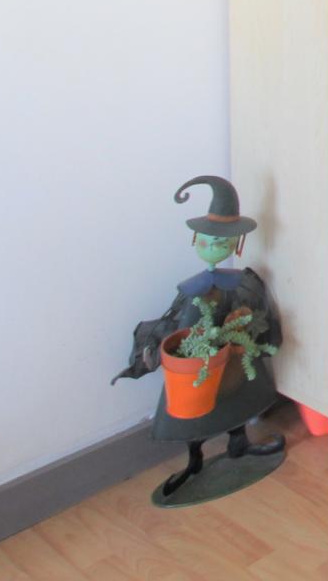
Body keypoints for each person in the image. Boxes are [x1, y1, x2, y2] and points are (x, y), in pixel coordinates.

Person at [113, 175, 285, 501]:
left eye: (220, 242)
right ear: (196, 239)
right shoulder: (194, 290)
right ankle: (195, 459)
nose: (212, 248)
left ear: (236, 243)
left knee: (240, 394)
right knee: (195, 404)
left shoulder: (240, 283)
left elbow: (253, 316)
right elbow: (183, 326)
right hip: (200, 359)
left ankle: (239, 442)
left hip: (233, 356)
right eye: (205, 242)